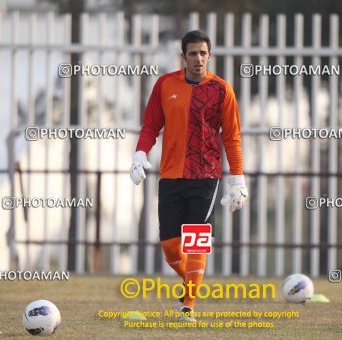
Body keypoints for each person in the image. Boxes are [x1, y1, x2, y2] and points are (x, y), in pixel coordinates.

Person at [130, 30, 248, 321]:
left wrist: (238, 180)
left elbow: (232, 138)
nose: (198, 58)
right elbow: (150, 126)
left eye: (203, 53)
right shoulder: (165, 84)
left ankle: (188, 307)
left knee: (196, 239)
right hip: (170, 176)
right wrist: (140, 154)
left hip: (206, 176)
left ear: (210, 55)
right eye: (192, 53)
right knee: (171, 248)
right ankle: (192, 284)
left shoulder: (222, 90)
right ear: (183, 56)